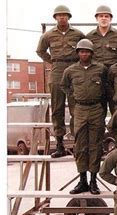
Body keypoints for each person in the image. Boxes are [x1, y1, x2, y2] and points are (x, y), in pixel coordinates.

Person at [36, 5, 85, 158]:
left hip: (73, 69)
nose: (62, 17)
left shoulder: (78, 34)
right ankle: (59, 144)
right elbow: (40, 51)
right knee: (57, 108)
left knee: (75, 108)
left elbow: (86, 48)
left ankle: (78, 144)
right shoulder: (48, 35)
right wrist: (52, 61)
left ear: (69, 17)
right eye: (59, 15)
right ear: (55, 18)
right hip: (57, 70)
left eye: (64, 15)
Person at [60, 39, 108, 195]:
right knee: (80, 146)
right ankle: (82, 180)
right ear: (78, 53)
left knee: (95, 145)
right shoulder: (70, 70)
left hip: (96, 109)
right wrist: (74, 98)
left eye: (87, 51)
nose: (84, 54)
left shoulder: (100, 69)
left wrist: (101, 105)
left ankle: (94, 181)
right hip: (80, 109)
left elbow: (106, 87)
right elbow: (65, 86)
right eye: (81, 51)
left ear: (92, 53)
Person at [86, 5, 117, 115]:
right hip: (96, 76)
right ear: (96, 19)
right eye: (101, 16)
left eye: (106, 16)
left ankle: (115, 131)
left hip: (114, 76)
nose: (103, 18)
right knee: (99, 108)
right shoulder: (89, 37)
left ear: (110, 19)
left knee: (115, 106)